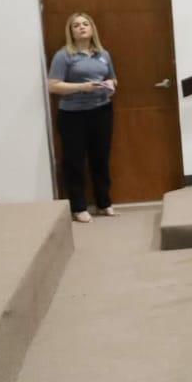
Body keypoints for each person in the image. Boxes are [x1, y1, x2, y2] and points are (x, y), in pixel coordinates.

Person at [47, 12, 117, 223]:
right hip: (73, 116)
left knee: (101, 159)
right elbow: (53, 85)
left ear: (92, 28)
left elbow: (112, 78)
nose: (81, 27)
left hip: (102, 111)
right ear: (71, 32)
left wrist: (111, 86)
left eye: (85, 24)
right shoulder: (64, 55)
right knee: (75, 161)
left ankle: (104, 203)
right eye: (76, 25)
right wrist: (82, 87)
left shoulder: (103, 53)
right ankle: (79, 207)